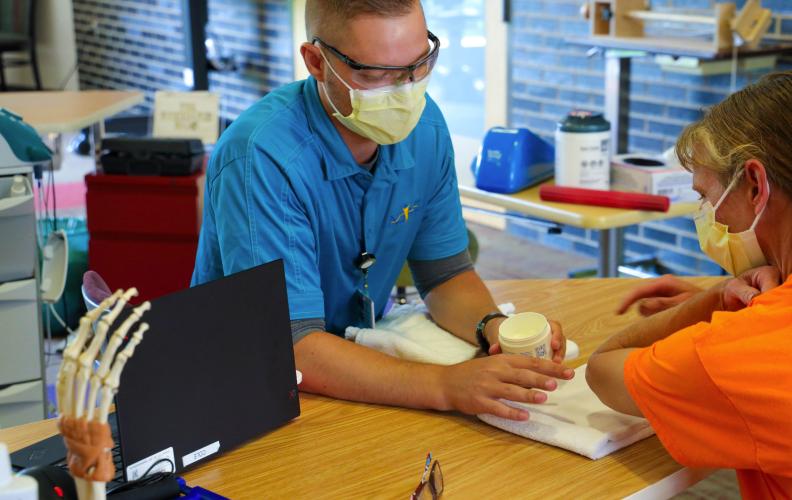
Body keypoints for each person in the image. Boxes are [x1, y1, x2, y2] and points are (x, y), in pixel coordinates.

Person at [191, 0, 573, 421]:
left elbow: (446, 276)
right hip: (249, 387)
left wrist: (494, 329)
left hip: (356, 368)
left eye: (419, 65)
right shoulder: (261, 156)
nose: (406, 92)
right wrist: (445, 385)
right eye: (375, 74)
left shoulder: (424, 130)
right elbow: (294, 345)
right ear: (316, 62)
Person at [586, 71, 792, 498]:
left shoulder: (740, 353)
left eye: (707, 198)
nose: (711, 217)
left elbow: (602, 370)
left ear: (755, 184)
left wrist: (709, 306)